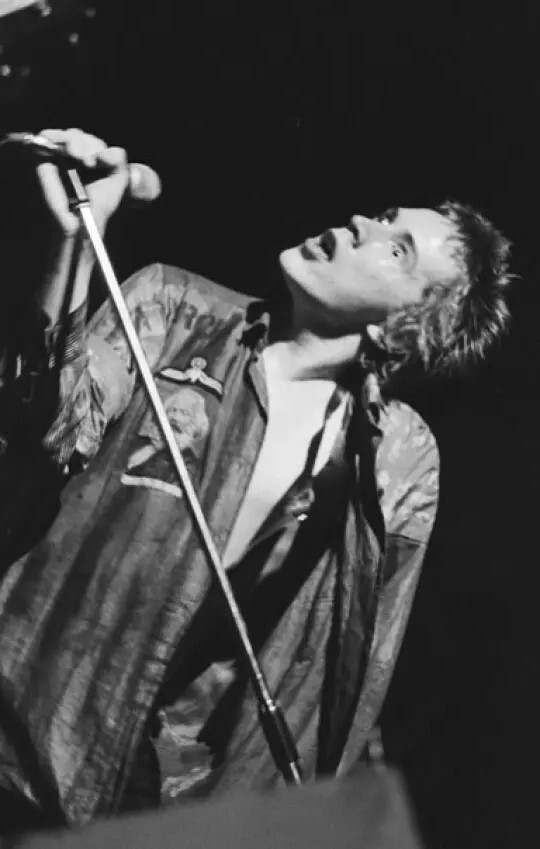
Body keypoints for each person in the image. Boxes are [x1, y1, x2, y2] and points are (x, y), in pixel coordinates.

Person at [0, 129, 512, 831]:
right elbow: (50, 432)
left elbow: (351, 674)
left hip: (157, 800)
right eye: (382, 216)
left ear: (403, 329)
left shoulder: (395, 456)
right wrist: (74, 246)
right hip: (22, 728)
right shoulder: (175, 307)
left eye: (397, 249)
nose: (361, 224)